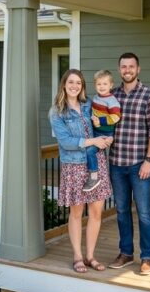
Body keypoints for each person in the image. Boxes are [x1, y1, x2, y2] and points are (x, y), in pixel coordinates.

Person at [47, 69, 113, 273]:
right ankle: (77, 256)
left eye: (78, 83)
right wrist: (93, 141)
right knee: (76, 213)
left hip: (96, 163)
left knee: (96, 212)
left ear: (82, 86)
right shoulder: (57, 112)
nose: (75, 86)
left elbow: (102, 124)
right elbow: (66, 142)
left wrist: (107, 137)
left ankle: (90, 256)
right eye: (71, 82)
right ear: (64, 85)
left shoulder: (89, 105)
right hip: (74, 166)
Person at [108, 52, 150, 276]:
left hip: (140, 165)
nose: (127, 70)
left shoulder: (149, 96)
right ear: (119, 69)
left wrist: (149, 160)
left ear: (138, 69)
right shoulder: (111, 96)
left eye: (131, 66)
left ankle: (147, 257)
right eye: (124, 66)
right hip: (116, 164)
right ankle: (126, 253)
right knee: (121, 211)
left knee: (144, 213)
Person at [85, 70, 122, 192]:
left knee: (90, 151)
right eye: (99, 84)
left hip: (105, 134)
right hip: (95, 132)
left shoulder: (112, 101)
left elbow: (116, 117)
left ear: (111, 85)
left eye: (105, 84)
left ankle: (94, 177)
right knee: (85, 148)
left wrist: (100, 121)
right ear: (95, 85)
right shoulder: (96, 98)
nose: (102, 87)